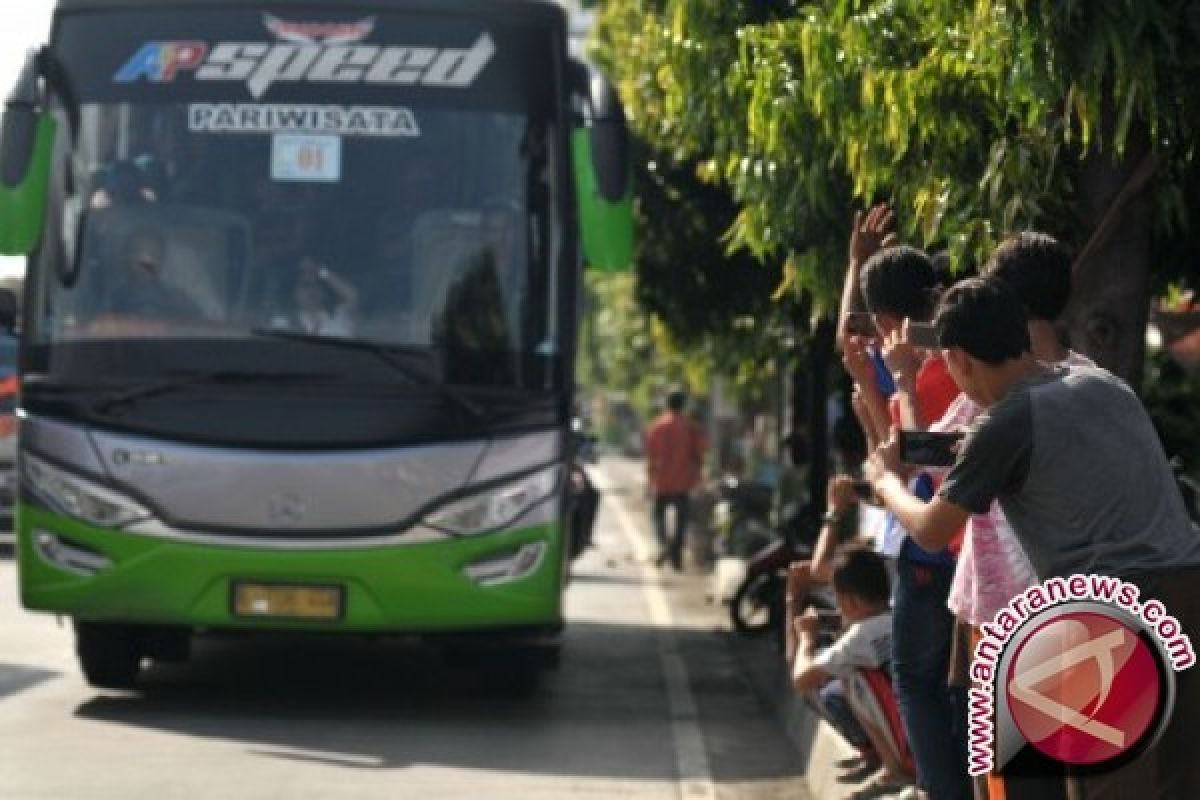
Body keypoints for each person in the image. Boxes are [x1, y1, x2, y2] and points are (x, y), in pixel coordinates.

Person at [866, 277, 1200, 800]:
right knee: (1176, 783)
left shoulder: (1004, 423)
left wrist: (886, 485)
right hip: (1187, 598)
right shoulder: (1103, 385)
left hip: (1110, 618)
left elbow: (933, 530)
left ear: (957, 360)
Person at [844, 244, 970, 800]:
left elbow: (903, 458)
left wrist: (885, 390)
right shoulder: (959, 359)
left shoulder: (925, 373)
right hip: (960, 554)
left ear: (890, 321)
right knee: (957, 688)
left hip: (941, 551)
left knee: (919, 681)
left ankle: (936, 787)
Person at [792, 549, 911, 795]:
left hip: (904, 735)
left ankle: (892, 768)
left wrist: (806, 638)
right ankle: (890, 764)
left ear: (850, 601)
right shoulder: (901, 615)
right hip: (920, 726)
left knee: (849, 677)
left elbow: (802, 679)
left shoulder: (862, 636)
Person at [645, 389, 707, 570]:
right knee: (682, 522)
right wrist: (699, 477)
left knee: (657, 517)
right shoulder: (690, 427)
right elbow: (699, 454)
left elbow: (651, 457)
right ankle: (676, 557)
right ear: (682, 406)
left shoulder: (657, 426)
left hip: (662, 482)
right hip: (683, 483)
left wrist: (650, 482)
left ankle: (663, 544)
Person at [106, 228, 203, 320]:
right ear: (127, 257)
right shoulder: (110, 301)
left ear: (162, 260)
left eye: (153, 254)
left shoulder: (179, 301)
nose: (146, 262)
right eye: (138, 253)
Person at [271, 257, 358, 337]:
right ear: (294, 293)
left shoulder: (338, 316)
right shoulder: (284, 322)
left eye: (315, 286)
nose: (311, 291)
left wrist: (321, 271)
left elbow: (352, 296)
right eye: (306, 285)